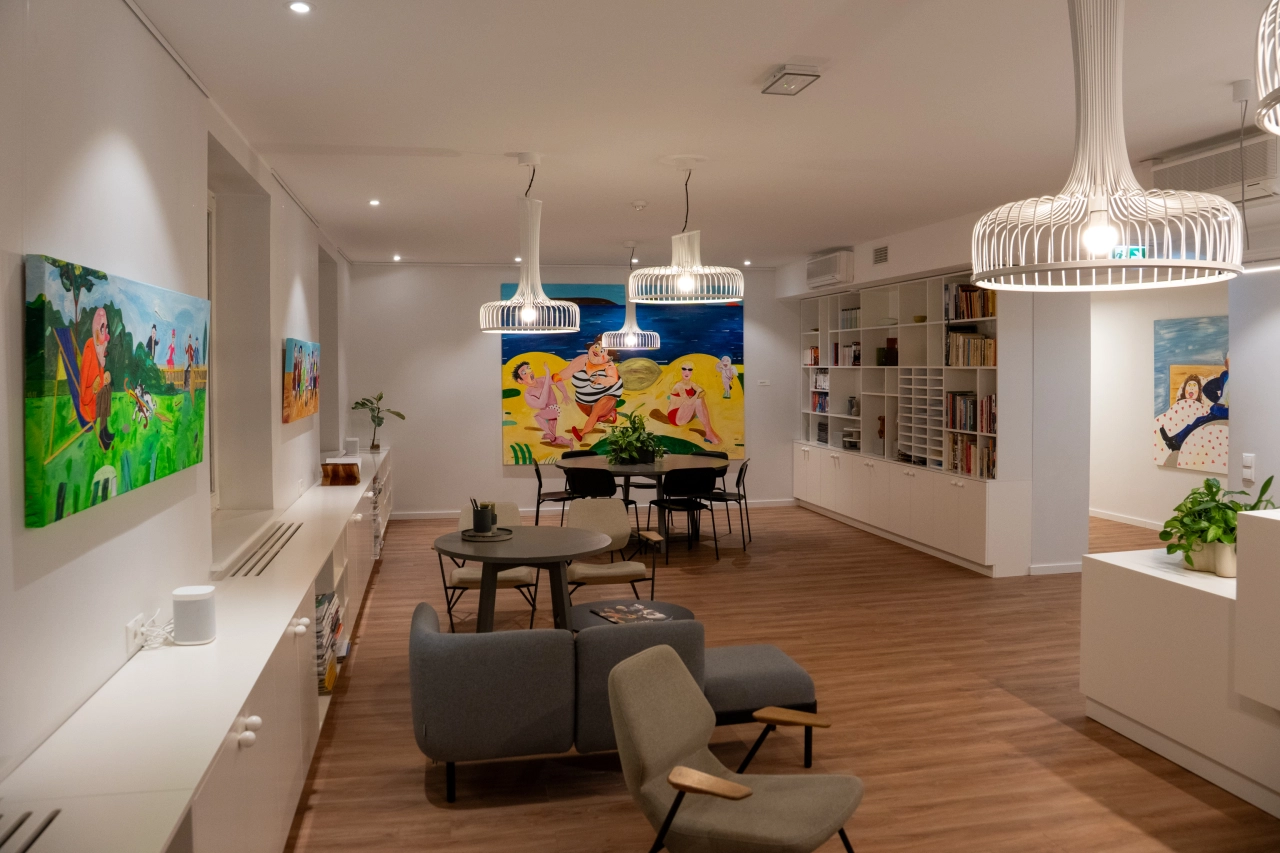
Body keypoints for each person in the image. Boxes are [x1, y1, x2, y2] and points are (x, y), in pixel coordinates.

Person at [555, 335, 624, 445]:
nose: (597, 350)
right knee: (594, 415)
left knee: (596, 412)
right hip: (582, 401)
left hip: (608, 394)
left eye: (602, 350)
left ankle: (582, 433)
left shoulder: (609, 367)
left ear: (609, 357)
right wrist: (558, 377)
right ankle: (610, 413)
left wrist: (601, 380)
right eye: (596, 346)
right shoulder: (582, 359)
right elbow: (568, 371)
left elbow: (613, 380)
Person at [1161, 356, 1229, 451]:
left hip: (1227, 413)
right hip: (1220, 409)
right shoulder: (1224, 376)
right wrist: (1219, 401)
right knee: (1198, 421)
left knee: (1200, 423)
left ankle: (1176, 442)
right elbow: (1207, 388)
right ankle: (1174, 440)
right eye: (1227, 362)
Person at [79, 307, 114, 450]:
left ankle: (104, 431)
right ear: (96, 330)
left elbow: (100, 379)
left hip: (96, 400)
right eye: (102, 329)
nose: (106, 335)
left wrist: (106, 377)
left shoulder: (100, 351)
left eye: (106, 329)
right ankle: (102, 435)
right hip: (88, 406)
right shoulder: (89, 349)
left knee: (107, 389)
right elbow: (83, 396)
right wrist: (93, 389)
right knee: (104, 392)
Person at [513, 361, 571, 447]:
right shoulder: (528, 394)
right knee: (553, 439)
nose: (529, 372)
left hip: (553, 409)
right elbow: (542, 403)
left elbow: (556, 378)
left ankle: (550, 434)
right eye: (524, 373)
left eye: (529, 368)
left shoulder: (542, 380)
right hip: (546, 414)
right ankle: (569, 442)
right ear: (520, 380)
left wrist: (565, 393)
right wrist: (547, 375)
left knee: (537, 416)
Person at [666, 360, 721, 444]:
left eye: (690, 369)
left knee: (699, 399)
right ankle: (709, 433)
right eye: (684, 369)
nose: (687, 372)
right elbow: (689, 402)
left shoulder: (691, 383)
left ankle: (709, 431)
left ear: (692, 372)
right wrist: (697, 393)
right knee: (697, 400)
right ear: (679, 371)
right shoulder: (679, 386)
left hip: (685, 413)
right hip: (675, 416)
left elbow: (703, 392)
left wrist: (697, 394)